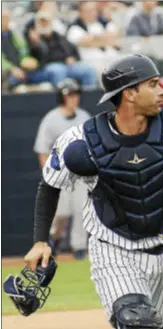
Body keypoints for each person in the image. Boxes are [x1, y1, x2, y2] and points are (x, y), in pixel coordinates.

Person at [24, 54, 163, 329]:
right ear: (129, 93)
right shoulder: (82, 139)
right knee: (139, 327)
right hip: (114, 250)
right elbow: (49, 185)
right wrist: (40, 241)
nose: (162, 91)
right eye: (153, 84)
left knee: (158, 328)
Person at [33, 78, 90, 259]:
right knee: (61, 213)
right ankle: (54, 239)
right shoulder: (51, 119)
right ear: (61, 97)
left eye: (75, 95)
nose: (74, 98)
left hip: (81, 173)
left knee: (82, 210)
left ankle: (79, 248)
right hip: (60, 173)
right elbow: (43, 150)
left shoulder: (84, 117)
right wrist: (48, 176)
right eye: (70, 95)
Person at [27, 10, 98, 89]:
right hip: (46, 68)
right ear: (37, 24)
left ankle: (88, 99)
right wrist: (35, 43)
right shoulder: (33, 39)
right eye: (42, 22)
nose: (44, 24)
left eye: (46, 21)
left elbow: (74, 50)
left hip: (67, 65)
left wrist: (73, 58)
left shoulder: (59, 37)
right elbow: (35, 56)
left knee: (88, 70)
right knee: (58, 71)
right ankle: (62, 100)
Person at [67, 1, 120, 81]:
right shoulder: (74, 27)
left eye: (93, 10)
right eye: (87, 11)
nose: (91, 13)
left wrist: (94, 39)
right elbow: (85, 42)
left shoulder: (104, 22)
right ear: (80, 13)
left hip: (112, 59)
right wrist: (105, 39)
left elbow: (115, 37)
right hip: (91, 63)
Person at [1, 8, 49, 91]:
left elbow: (24, 52)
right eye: (3, 18)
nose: (5, 21)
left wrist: (29, 62)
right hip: (8, 73)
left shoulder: (14, 35)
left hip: (23, 70)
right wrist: (12, 69)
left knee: (48, 75)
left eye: (7, 18)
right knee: (10, 80)